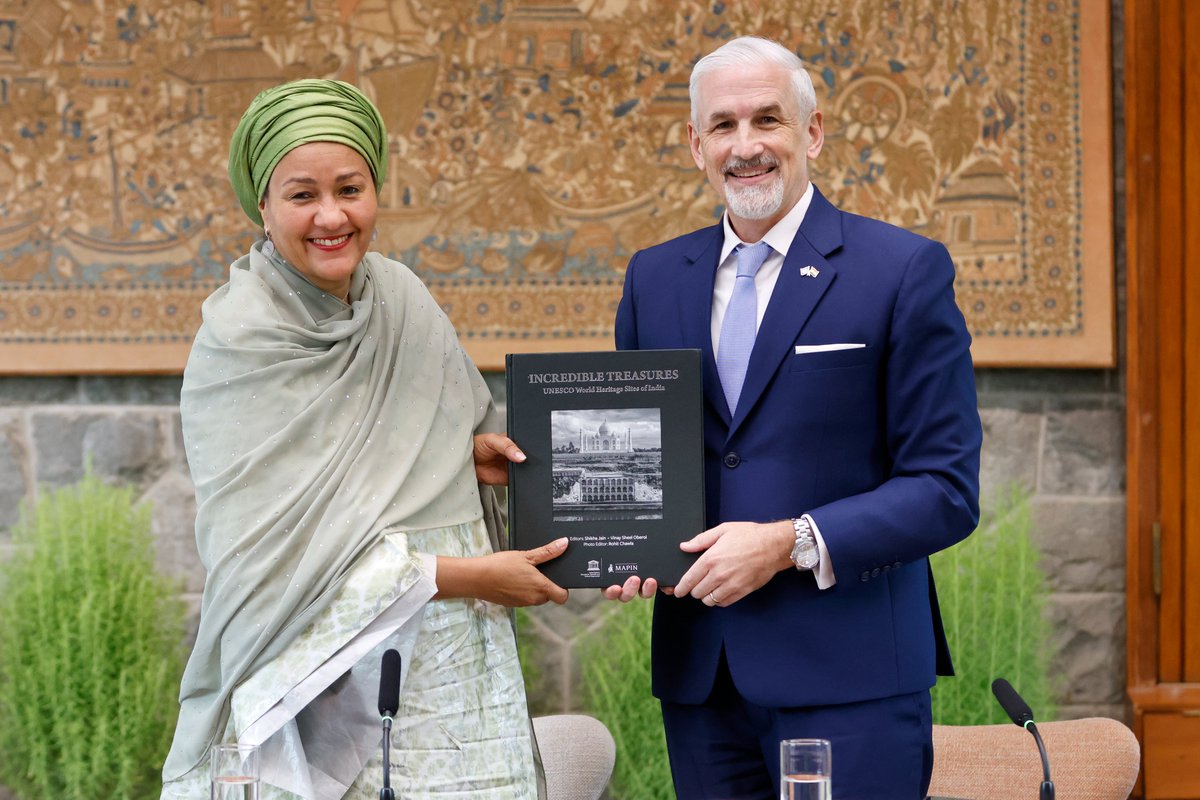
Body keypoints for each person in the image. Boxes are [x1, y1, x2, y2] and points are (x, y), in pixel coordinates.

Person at [161, 79, 562, 800]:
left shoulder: (402, 298)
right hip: (311, 680)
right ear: (262, 203)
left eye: (351, 188)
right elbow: (275, 554)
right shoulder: (241, 338)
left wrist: (459, 456)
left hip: (445, 679)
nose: (331, 216)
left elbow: (382, 455)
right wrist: (468, 577)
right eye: (302, 195)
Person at [607, 36, 982, 798]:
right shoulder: (653, 278)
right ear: (695, 145)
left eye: (767, 120)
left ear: (811, 132)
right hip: (702, 679)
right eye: (723, 126)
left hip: (852, 678)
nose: (746, 146)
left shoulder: (902, 270)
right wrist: (614, 537)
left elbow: (945, 488)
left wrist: (788, 544)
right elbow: (638, 454)